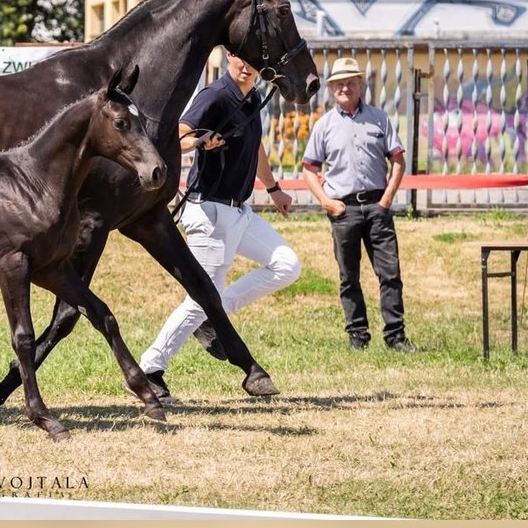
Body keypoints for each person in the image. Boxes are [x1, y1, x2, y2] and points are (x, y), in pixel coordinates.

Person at [138, 50, 301, 403]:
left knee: (287, 265)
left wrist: (273, 188)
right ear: (229, 57)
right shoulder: (214, 95)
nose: (246, 66)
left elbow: (256, 147)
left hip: (239, 212)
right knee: (200, 299)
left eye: (252, 61)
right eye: (239, 58)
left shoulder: (252, 97)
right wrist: (200, 141)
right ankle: (149, 369)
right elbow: (175, 138)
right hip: (209, 211)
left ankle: (216, 314)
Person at [301, 56, 416, 353]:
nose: (345, 88)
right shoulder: (324, 126)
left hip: (377, 207)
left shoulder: (379, 119)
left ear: (361, 85)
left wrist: (386, 200)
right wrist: (326, 202)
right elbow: (309, 169)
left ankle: (395, 336)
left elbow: (398, 161)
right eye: (339, 83)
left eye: (351, 82)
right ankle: (357, 335)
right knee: (348, 276)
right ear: (331, 88)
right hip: (343, 210)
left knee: (390, 274)